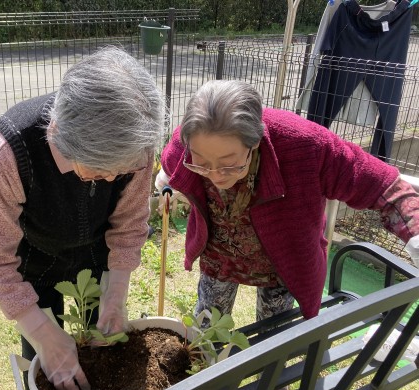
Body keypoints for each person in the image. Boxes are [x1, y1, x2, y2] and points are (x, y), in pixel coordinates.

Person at [0, 47, 166, 390]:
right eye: (100, 171)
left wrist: (116, 295)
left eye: (121, 170)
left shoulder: (135, 143)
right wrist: (43, 336)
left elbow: (129, 224)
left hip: (98, 255)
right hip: (37, 259)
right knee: (50, 363)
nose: (112, 179)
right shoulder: (11, 151)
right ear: (59, 134)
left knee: (106, 349)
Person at [156, 79, 419, 324]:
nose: (214, 176)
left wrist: (415, 234)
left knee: (274, 333)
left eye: (228, 164)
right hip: (219, 252)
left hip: (282, 260)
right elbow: (170, 166)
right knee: (207, 325)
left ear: (255, 142)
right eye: (202, 164)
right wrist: (169, 182)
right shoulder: (189, 141)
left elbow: (386, 187)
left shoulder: (305, 145)